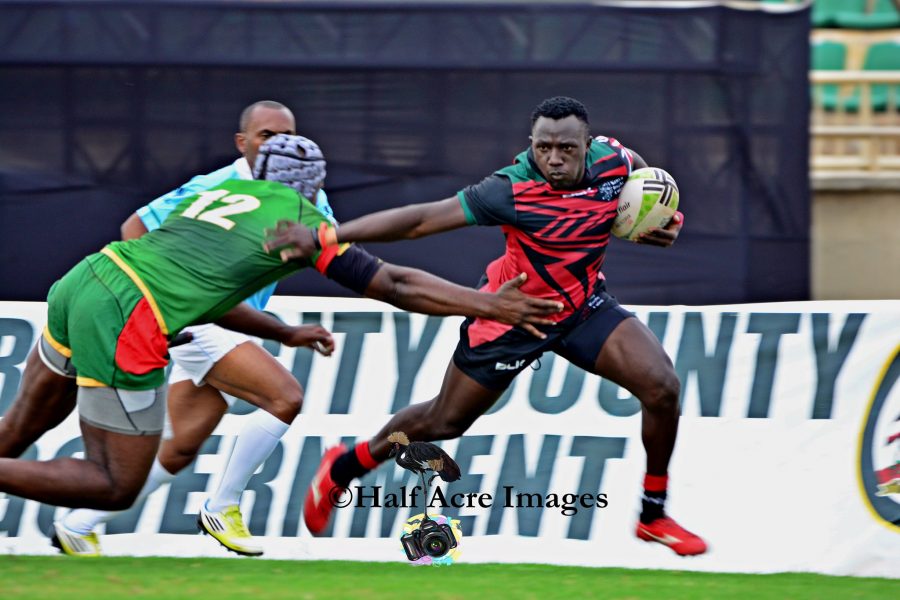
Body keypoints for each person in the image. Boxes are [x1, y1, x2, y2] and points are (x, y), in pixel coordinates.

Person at [0, 135, 561, 558]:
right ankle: (210, 510)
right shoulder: (303, 219)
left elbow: (204, 284)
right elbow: (393, 283)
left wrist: (284, 332)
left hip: (85, 280)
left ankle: (214, 508)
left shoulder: (221, 192)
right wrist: (485, 303)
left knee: (23, 426)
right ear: (312, 186)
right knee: (114, 484)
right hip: (128, 314)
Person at [268, 96, 707, 556]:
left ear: (588, 145)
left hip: (581, 308)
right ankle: (345, 467)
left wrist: (661, 220)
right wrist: (329, 236)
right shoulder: (509, 189)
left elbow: (643, 181)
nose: (553, 159)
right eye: (543, 148)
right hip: (510, 314)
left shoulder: (615, 161)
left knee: (662, 387)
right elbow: (421, 221)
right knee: (442, 421)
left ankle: (653, 516)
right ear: (531, 145)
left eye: (566, 149)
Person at [53, 100, 338, 558]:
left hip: (231, 320)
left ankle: (77, 524)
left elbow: (332, 247)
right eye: (265, 135)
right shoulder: (214, 184)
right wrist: (157, 293)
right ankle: (222, 507)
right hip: (200, 314)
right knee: (283, 396)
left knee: (181, 446)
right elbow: (135, 227)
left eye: (285, 136)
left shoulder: (303, 189)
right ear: (241, 143)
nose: (277, 144)